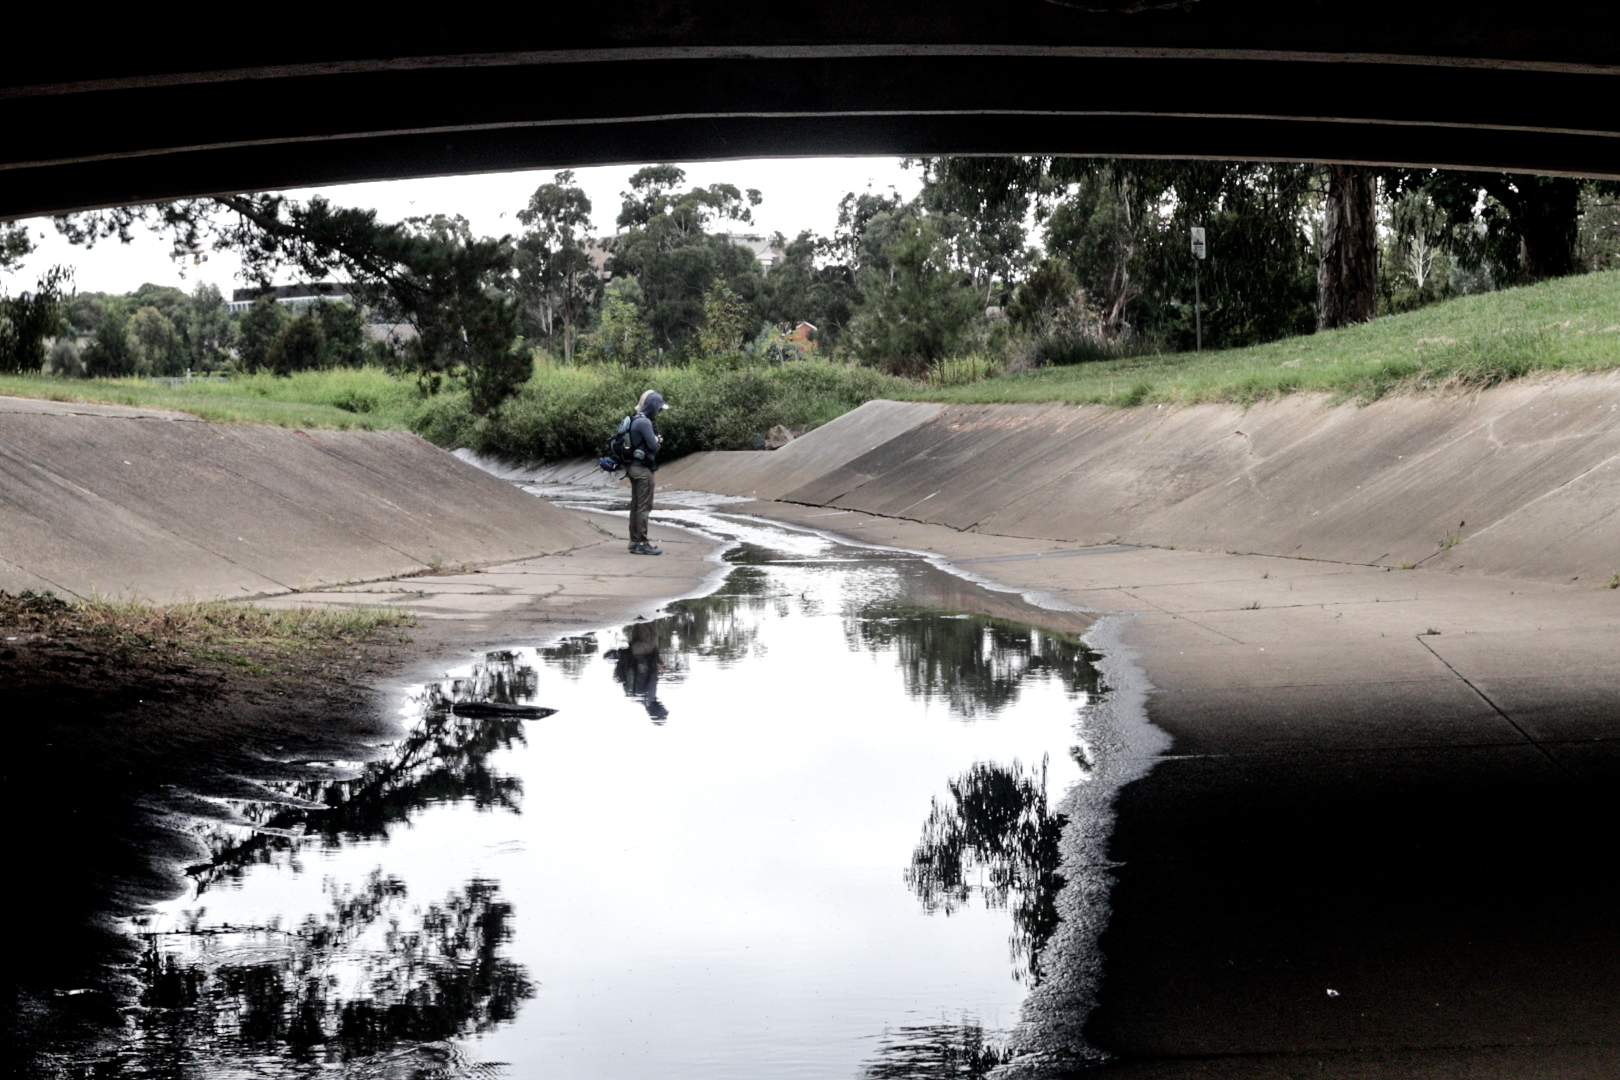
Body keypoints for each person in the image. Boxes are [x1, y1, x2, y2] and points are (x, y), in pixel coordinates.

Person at [626, 389, 667, 556]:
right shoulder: (645, 422)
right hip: (642, 469)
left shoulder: (634, 419)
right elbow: (652, 446)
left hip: (631, 467)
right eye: (658, 408)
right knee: (644, 506)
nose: (659, 412)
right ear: (653, 407)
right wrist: (657, 440)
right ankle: (642, 542)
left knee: (636, 505)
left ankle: (634, 541)